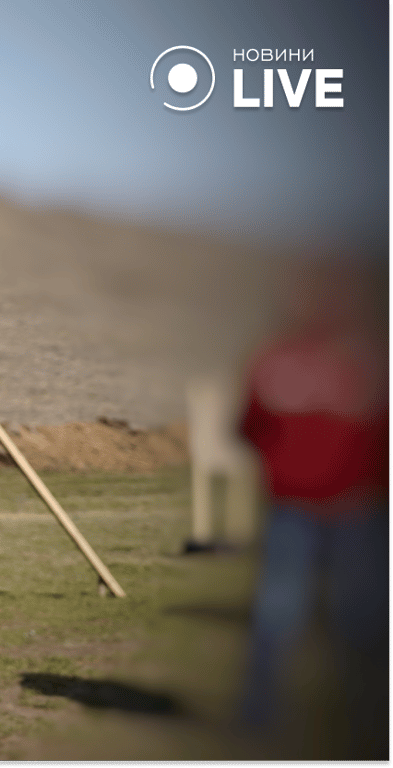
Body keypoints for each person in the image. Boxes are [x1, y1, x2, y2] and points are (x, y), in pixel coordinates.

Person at [234, 257, 390, 758]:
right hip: (306, 506)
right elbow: (250, 425)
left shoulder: (360, 358)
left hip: (349, 509)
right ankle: (267, 713)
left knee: (353, 617)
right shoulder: (288, 360)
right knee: (290, 612)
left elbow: (249, 429)